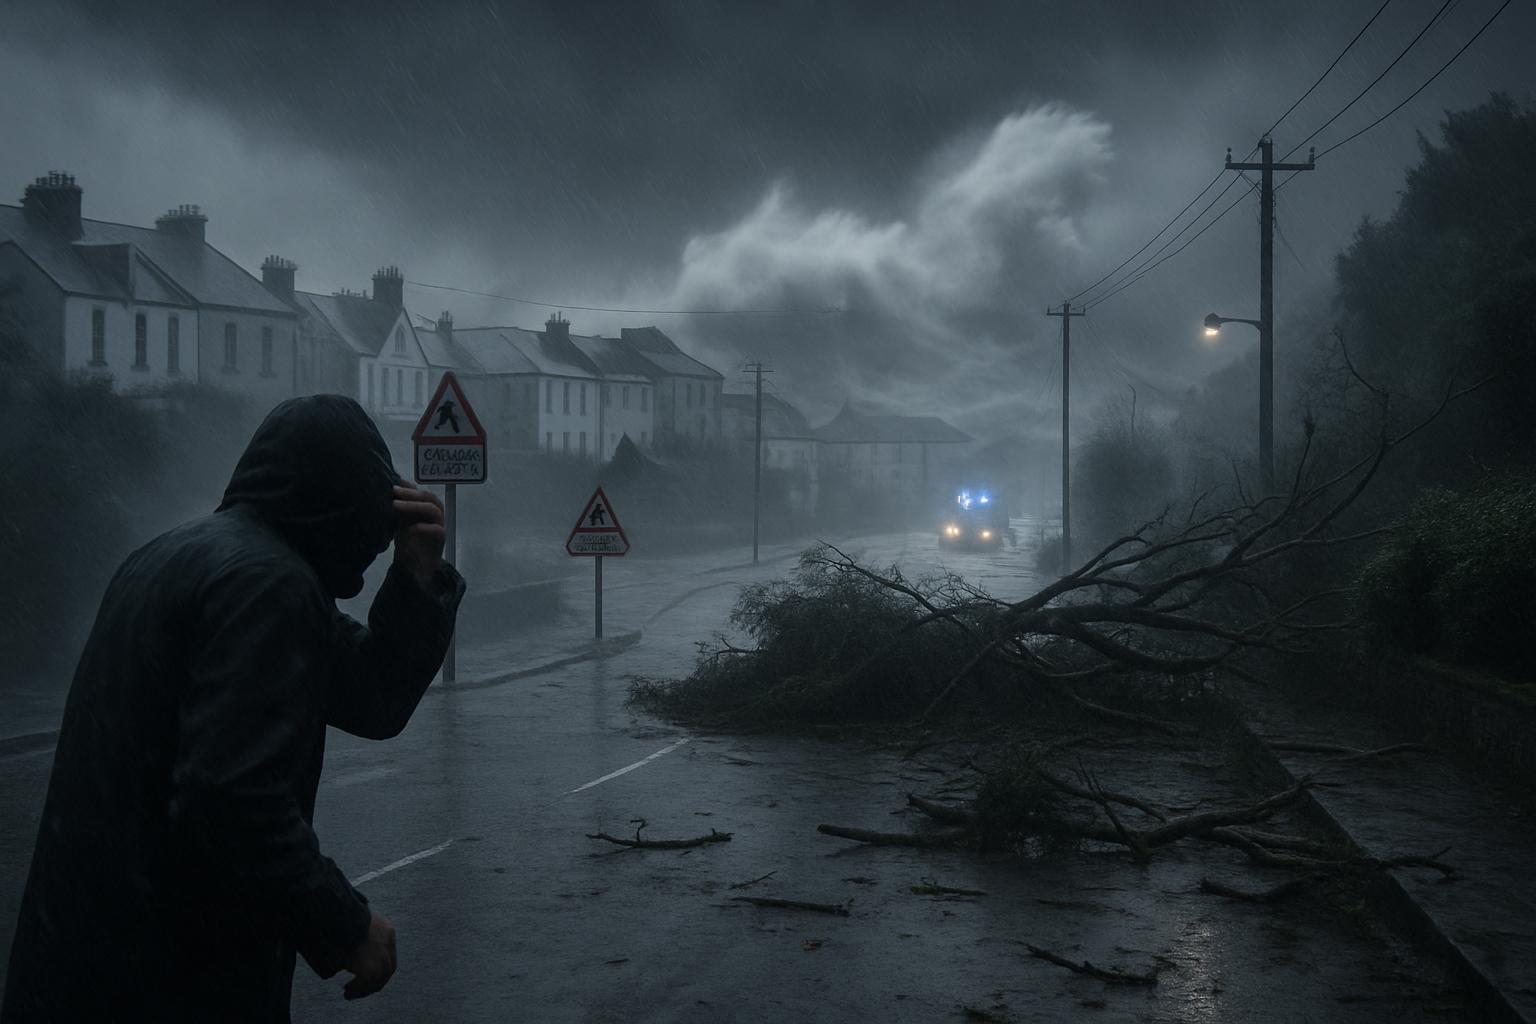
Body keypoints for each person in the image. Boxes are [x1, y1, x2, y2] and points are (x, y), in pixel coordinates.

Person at [2, 394, 465, 1023]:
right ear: (343, 503)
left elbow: (372, 698)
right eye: (374, 519)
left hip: (76, 970)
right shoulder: (268, 585)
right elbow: (231, 800)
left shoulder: (175, 559)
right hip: (167, 984)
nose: (379, 544)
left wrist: (416, 579)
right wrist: (346, 925)